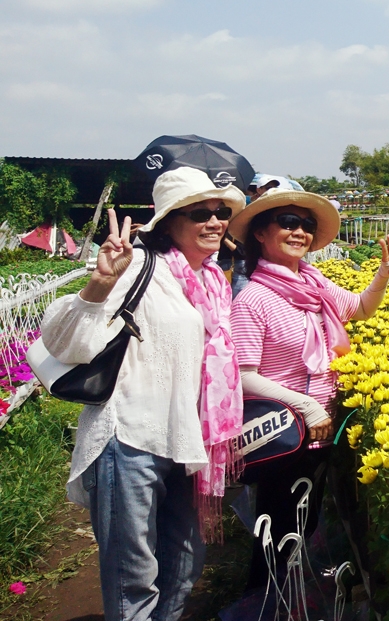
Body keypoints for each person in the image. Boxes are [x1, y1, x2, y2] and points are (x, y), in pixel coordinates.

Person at [40, 167, 246, 621]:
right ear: (170, 221)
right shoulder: (139, 268)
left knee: (185, 563)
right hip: (130, 437)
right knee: (134, 573)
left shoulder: (213, 282)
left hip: (188, 440)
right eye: (200, 213)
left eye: (220, 212)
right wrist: (99, 284)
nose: (214, 221)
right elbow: (64, 341)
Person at [226, 186, 389, 598]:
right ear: (259, 233)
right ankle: (265, 601)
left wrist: (382, 275)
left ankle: (294, 598)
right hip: (285, 432)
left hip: (322, 428)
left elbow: (359, 309)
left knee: (304, 525)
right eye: (287, 222)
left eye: (306, 224)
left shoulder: (313, 283)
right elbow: (243, 374)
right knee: (278, 527)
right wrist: (307, 407)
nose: (300, 232)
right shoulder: (253, 299)